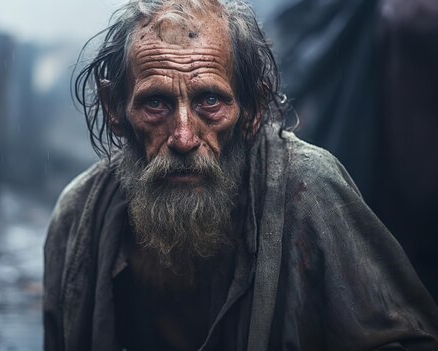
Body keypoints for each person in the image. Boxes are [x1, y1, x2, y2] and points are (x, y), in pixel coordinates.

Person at [43, 0, 438, 350]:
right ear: (115, 109)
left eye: (210, 101)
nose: (183, 137)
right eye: (156, 103)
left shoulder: (308, 192)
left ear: (252, 109)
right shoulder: (79, 216)